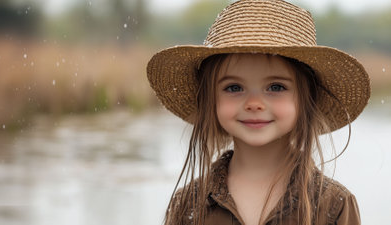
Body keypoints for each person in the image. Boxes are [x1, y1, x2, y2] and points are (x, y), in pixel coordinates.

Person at [146, 0, 370, 225]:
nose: (254, 103)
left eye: (276, 87)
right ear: (211, 100)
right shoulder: (187, 205)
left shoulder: (334, 205)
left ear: (305, 100)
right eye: (234, 88)